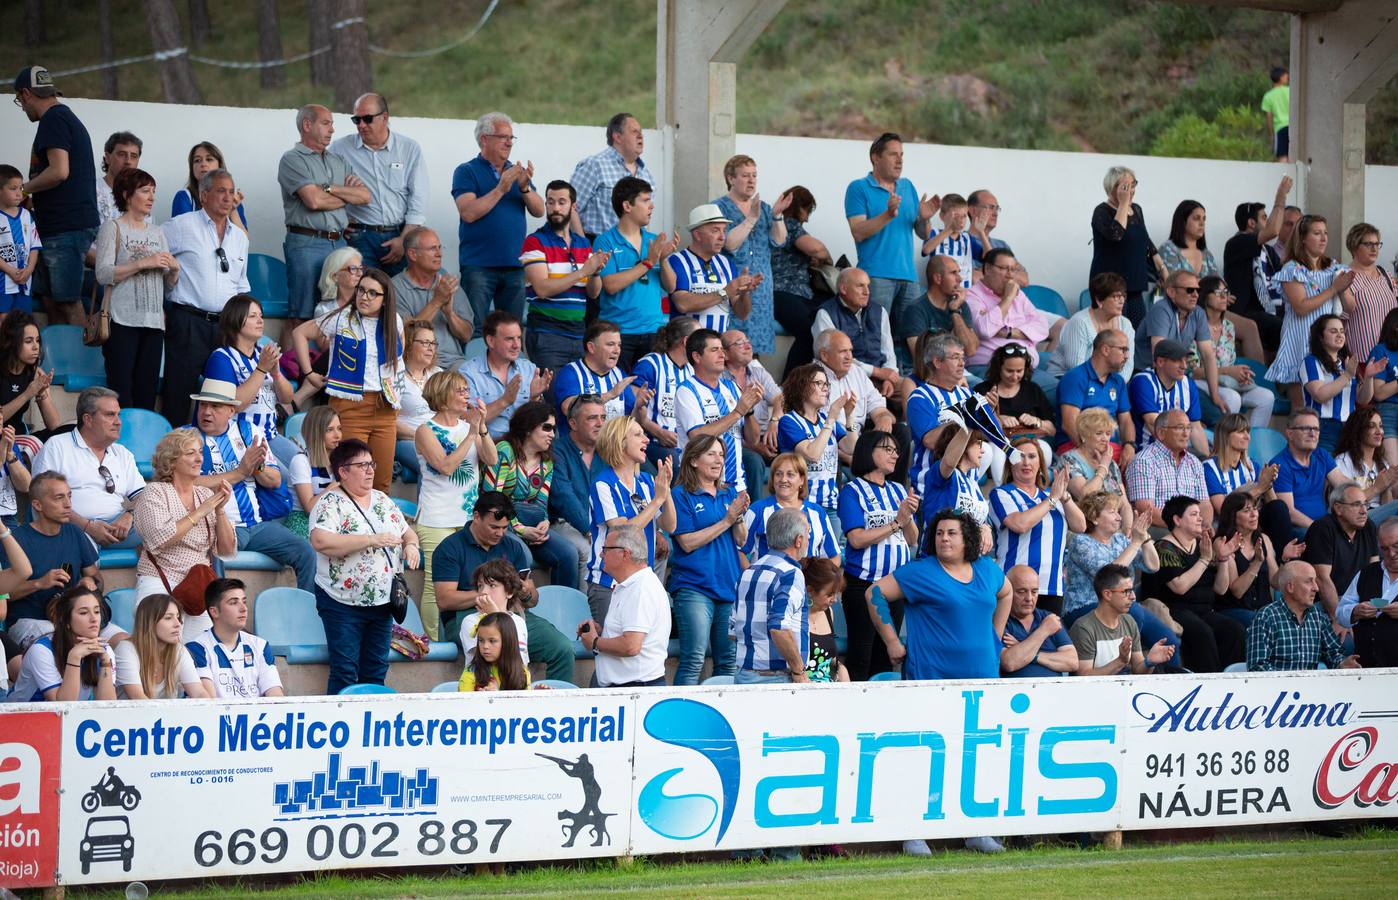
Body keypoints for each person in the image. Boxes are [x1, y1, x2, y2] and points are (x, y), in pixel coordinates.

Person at [864, 509, 1010, 856]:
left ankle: (975, 829)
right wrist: (892, 642)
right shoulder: (921, 572)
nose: (944, 538)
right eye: (940, 533)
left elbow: (1006, 594)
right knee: (925, 755)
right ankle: (914, 832)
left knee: (973, 754)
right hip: (931, 680)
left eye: (952, 533)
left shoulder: (988, 570)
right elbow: (874, 594)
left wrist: (996, 636)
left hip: (981, 680)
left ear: (967, 539)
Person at [309, 438, 419, 694]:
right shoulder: (329, 502)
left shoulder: (382, 500)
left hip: (382, 601)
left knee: (376, 669)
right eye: (362, 465)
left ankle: (372, 725)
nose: (370, 470)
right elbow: (321, 540)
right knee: (345, 670)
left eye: (371, 464)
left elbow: (407, 533)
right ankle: (340, 728)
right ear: (343, 471)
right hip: (341, 602)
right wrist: (370, 540)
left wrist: (411, 546)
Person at [188, 379, 313, 592]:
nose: (206, 412)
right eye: (203, 405)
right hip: (217, 526)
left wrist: (256, 467)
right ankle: (217, 617)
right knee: (209, 553)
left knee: (306, 552)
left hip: (256, 525)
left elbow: (274, 480)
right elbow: (187, 483)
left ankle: (305, 611)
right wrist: (240, 471)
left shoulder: (249, 431)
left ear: (231, 410)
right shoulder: (187, 437)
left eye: (215, 406)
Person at [291, 268, 403, 492]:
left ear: (385, 300)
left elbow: (398, 361)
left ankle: (377, 527)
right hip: (350, 406)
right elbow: (299, 333)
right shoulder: (342, 317)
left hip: (385, 408)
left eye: (373, 293)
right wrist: (310, 374)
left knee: (381, 481)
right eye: (361, 290)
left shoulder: (395, 321)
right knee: (351, 479)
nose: (364, 296)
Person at [161, 168, 250, 427]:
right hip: (188, 321)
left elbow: (241, 286)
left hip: (225, 326)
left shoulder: (239, 239)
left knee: (221, 397)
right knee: (178, 393)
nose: (227, 197)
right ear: (204, 196)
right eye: (220, 191)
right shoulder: (181, 226)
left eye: (231, 192)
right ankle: (174, 455)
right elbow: (155, 258)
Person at [13, 66, 98, 326]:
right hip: (58, 227)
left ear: (27, 94)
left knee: (68, 301)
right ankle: (61, 361)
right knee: (51, 300)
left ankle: (83, 364)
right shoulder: (64, 118)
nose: (23, 107)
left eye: (19, 100)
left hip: (66, 227)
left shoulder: (54, 119)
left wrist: (24, 189)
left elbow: (59, 171)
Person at [414, 370, 495, 640]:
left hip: (467, 518)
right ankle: (433, 642)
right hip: (436, 516)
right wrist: (472, 432)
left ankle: (464, 635)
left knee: (470, 579)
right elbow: (446, 466)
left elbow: (492, 459)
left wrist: (481, 427)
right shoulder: (425, 431)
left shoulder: (469, 427)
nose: (466, 395)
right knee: (433, 584)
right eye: (459, 390)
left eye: (466, 389)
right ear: (443, 394)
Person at [93, 167, 177, 412]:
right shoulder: (113, 227)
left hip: (153, 323)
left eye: (153, 191)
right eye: (145, 191)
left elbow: (168, 285)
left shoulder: (157, 232)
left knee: (147, 392)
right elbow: (103, 273)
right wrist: (143, 263)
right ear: (128, 194)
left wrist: (174, 270)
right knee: (121, 391)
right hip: (121, 321)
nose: (151, 197)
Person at [133, 429, 236, 626]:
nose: (199, 459)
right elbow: (161, 538)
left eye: (200, 452)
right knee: (160, 650)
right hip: (160, 580)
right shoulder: (154, 492)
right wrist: (200, 512)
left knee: (201, 651)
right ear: (171, 461)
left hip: (198, 586)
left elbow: (227, 550)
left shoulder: (205, 494)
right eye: (190, 453)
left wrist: (220, 510)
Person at [452, 112, 543, 331]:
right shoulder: (466, 171)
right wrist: (501, 188)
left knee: (511, 331)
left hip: (515, 267)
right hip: (478, 266)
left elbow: (539, 210)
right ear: (484, 139)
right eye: (503, 137)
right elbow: (468, 213)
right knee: (475, 328)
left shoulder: (516, 172)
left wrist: (523, 187)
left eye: (511, 138)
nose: (509, 142)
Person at [838, 431, 918, 681]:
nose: (895, 455)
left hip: (895, 586)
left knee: (887, 657)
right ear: (868, 451)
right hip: (863, 584)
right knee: (861, 655)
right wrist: (896, 522)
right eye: (888, 449)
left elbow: (912, 539)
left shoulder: (897, 489)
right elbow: (856, 539)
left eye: (896, 450)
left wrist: (908, 516)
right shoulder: (852, 491)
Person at [279, 104, 369, 324]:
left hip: (338, 243)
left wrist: (330, 188)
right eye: (326, 123)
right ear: (307, 125)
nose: (332, 129)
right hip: (305, 243)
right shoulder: (292, 159)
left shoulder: (338, 161)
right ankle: (291, 360)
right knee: (302, 315)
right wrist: (346, 195)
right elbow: (313, 200)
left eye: (332, 124)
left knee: (340, 312)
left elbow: (365, 196)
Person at [670, 435, 747, 685]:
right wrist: (726, 520)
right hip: (694, 586)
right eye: (711, 454)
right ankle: (682, 720)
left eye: (721, 455)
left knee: (728, 660)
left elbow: (741, 540)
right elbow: (687, 543)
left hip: (728, 584)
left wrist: (739, 517)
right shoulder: (681, 495)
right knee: (694, 659)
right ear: (693, 460)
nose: (719, 460)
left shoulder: (728, 492)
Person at [844, 132, 938, 328]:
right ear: (875, 157)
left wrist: (924, 218)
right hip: (876, 277)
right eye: (893, 154)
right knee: (876, 335)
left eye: (902, 155)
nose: (899, 161)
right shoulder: (858, 188)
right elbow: (858, 231)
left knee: (911, 338)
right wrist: (888, 214)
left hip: (909, 277)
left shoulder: (907, 186)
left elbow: (923, 233)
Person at [1144, 495, 1247, 672]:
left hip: (1204, 610)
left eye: (1200, 513)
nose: (1201, 518)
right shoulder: (1163, 548)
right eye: (1193, 514)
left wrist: (1222, 559)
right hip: (1174, 610)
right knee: (1202, 632)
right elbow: (1180, 587)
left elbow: (1220, 589)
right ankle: (1208, 686)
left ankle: (1231, 683)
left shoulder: (1202, 545)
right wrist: (1205, 560)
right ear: (1177, 520)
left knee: (1234, 629)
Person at [1063, 491, 1176, 652]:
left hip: (1124, 605)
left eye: (1118, 511)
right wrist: (1136, 542)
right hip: (1085, 607)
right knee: (1133, 611)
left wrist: (1144, 537)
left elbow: (1153, 566)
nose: (1119, 517)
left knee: (1169, 642)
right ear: (1094, 518)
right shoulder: (1080, 542)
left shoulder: (1120, 540)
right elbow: (1108, 576)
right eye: (1112, 512)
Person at [586, 417, 675, 623]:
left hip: (642, 582)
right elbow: (621, 533)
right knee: (616, 650)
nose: (646, 440)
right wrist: (658, 499)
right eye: (638, 435)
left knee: (642, 651)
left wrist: (666, 489)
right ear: (619, 442)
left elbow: (670, 525)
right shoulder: (603, 484)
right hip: (609, 583)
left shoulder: (646, 481)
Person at [33, 387, 145, 548]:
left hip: (118, 528)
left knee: (162, 526)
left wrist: (129, 516)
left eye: (118, 414)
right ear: (88, 419)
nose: (118, 421)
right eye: (109, 415)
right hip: (73, 527)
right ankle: (73, 572)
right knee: (78, 542)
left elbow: (144, 497)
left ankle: (155, 573)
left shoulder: (122, 453)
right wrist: (88, 527)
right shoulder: (57, 446)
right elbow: (44, 499)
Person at [330, 93, 427, 276]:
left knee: (397, 299)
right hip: (359, 238)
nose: (362, 125)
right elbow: (326, 188)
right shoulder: (339, 149)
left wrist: (403, 239)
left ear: (385, 117)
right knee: (363, 297)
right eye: (356, 120)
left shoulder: (409, 148)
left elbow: (418, 199)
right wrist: (339, 220)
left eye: (367, 119)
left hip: (400, 234)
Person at [486, 401, 580, 591]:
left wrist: (543, 524)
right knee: (524, 556)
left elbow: (541, 501)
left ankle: (561, 611)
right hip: (501, 524)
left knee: (569, 554)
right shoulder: (505, 451)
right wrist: (521, 530)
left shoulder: (547, 461)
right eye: (546, 428)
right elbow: (492, 500)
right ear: (528, 427)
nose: (552, 435)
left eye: (554, 429)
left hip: (531, 525)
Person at [1267, 214, 1357, 409]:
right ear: (1303, 238)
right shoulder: (1292, 268)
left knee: (1328, 404)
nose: (1324, 238)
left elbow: (1350, 306)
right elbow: (1300, 307)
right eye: (1317, 233)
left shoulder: (1333, 267)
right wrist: (1333, 289)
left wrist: (1342, 288)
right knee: (1301, 407)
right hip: (1300, 339)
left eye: (1325, 233)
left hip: (1327, 340)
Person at [990, 439, 1085, 614]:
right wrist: (1051, 500)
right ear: (1010, 464)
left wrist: (1064, 497)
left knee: (1048, 640)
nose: (1026, 462)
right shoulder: (1002, 493)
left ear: (1040, 464)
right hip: (1015, 586)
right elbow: (1019, 524)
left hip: (1051, 586)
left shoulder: (1053, 496)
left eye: (1032, 457)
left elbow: (1080, 526)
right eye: (1020, 457)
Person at [593, 177, 679, 371]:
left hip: (654, 330)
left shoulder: (653, 240)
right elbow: (610, 285)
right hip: (618, 333)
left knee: (650, 392)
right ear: (627, 206)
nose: (652, 206)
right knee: (620, 392)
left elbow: (671, 286)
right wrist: (648, 262)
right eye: (646, 200)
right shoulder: (605, 241)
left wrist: (663, 259)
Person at [521, 180, 606, 369]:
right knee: (553, 395)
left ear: (573, 207)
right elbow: (542, 288)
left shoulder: (583, 244)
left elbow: (593, 293)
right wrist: (584, 271)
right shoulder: (535, 241)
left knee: (577, 396)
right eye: (550, 202)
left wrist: (595, 273)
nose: (555, 208)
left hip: (578, 332)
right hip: (547, 333)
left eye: (561, 202)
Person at [577, 524, 669, 688]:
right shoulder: (633, 584)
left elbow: (631, 646)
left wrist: (595, 641)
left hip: (635, 692)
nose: (600, 554)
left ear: (625, 553)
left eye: (605, 549)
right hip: (632, 690)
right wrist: (603, 632)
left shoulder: (640, 588)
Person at [0, 472, 86, 646]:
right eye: (59, 498)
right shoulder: (16, 539)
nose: (68, 504)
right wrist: (40, 583)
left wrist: (89, 582)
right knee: (62, 641)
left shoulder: (74, 532)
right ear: (37, 505)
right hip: (27, 621)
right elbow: (5, 595)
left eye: (69, 496)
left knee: (118, 640)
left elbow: (94, 576)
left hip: (70, 617)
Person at [714, 155, 785, 354]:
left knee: (755, 352)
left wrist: (778, 216)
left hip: (761, 289)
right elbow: (728, 243)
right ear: (730, 178)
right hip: (734, 285)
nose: (751, 180)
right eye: (745, 175)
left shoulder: (764, 208)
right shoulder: (719, 208)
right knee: (731, 347)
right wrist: (751, 219)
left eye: (754, 175)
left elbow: (779, 241)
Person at [675, 328, 761, 492]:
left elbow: (753, 440)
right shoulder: (686, 391)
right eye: (714, 350)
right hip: (700, 487)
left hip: (737, 486)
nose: (722, 355)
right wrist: (737, 412)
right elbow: (697, 437)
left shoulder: (732, 387)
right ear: (697, 357)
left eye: (722, 349)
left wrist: (748, 411)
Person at [731, 506, 809, 683]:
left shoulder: (748, 572)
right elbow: (778, 627)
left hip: (743, 675)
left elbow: (732, 631)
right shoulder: (791, 573)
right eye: (808, 535)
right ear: (798, 540)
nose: (808, 540)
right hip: (776, 678)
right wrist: (799, 672)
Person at [203, 294, 294, 442]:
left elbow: (287, 398)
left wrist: (276, 374)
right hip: (239, 439)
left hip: (270, 436)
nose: (260, 321)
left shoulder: (263, 353)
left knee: (301, 461)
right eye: (253, 316)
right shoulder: (221, 358)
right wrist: (261, 370)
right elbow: (233, 405)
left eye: (261, 316)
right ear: (235, 320)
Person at [1136, 270, 1225, 420]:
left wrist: (1214, 395)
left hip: (1176, 377)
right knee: (1173, 422)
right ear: (1171, 292)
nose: (1196, 294)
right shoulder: (1161, 309)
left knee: (1216, 414)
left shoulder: (1199, 313)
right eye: (1190, 290)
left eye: (1198, 290)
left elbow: (1208, 356)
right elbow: (1159, 356)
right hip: (1148, 377)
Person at [815, 329, 904, 477]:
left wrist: (884, 419)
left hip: (859, 440)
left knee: (900, 431)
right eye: (843, 351)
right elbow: (813, 432)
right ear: (824, 355)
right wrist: (850, 457)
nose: (849, 357)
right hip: (832, 444)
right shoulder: (812, 377)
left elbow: (879, 408)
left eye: (850, 350)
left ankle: (895, 490)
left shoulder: (856, 372)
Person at [664, 203, 758, 338]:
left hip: (717, 348)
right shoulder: (677, 261)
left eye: (724, 230)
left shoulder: (726, 263)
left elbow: (742, 314)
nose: (722, 237)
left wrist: (744, 293)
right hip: (686, 346)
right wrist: (725, 292)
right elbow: (683, 304)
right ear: (697, 235)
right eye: (715, 230)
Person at [7, 586, 115, 702]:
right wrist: (74, 658)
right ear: (66, 620)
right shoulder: (41, 651)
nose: (94, 619)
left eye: (97, 611)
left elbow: (107, 705)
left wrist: (105, 662)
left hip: (72, 717)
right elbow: (61, 706)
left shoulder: (104, 650)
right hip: (21, 716)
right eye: (83, 613)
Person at [1222, 176, 1292, 354]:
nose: (1268, 221)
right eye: (1264, 217)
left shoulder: (1267, 251)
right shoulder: (1236, 243)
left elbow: (1284, 276)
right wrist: (1281, 197)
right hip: (1245, 312)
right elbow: (1273, 231)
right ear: (1251, 223)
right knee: (1286, 329)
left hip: (1272, 310)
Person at [1090, 165, 1166, 326]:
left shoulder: (1136, 209)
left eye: (1133, 185)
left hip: (1134, 285)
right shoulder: (1101, 212)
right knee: (1116, 333)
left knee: (1138, 334)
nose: (1131, 190)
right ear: (1112, 188)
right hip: (1110, 288)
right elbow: (1116, 235)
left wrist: (1162, 269)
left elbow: (1146, 241)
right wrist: (1123, 204)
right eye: (1126, 186)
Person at [1216, 489, 1302, 631]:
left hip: (1264, 609)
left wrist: (1284, 560)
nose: (1254, 514)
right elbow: (1237, 591)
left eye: (1255, 508)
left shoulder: (1264, 539)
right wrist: (1256, 562)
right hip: (1235, 610)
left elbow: (1275, 583)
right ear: (1233, 516)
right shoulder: (1223, 542)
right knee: (1268, 624)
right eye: (1246, 510)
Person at [1194, 275, 1273, 428]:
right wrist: (1229, 371)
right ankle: (1227, 444)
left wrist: (1241, 376)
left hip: (1227, 382)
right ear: (1204, 296)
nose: (1224, 296)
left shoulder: (1229, 326)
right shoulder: (1195, 326)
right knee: (1233, 398)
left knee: (1266, 397)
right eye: (1218, 292)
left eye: (1226, 291)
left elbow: (1229, 363)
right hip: (1201, 382)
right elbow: (1193, 371)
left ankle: (1249, 445)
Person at [1248, 560, 1358, 671]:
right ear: (1290, 587)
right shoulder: (1266, 617)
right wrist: (1291, 684)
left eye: (1315, 581)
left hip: (1309, 687)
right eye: (1309, 581)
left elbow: (1333, 654)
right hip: (1276, 688)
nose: (1316, 588)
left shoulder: (1318, 617)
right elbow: (1258, 667)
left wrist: (1342, 663)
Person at [769, 185, 832, 377]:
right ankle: (791, 384)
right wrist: (826, 258)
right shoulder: (790, 225)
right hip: (784, 293)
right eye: (807, 210)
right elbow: (816, 249)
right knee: (809, 331)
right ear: (799, 207)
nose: (807, 218)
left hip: (795, 295)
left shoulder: (772, 226)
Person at [1070, 564, 1178, 675]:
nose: (1133, 597)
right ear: (1107, 595)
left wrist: (1149, 662)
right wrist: (1120, 661)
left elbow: (1138, 670)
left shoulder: (1129, 621)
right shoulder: (1084, 628)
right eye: (1127, 591)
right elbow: (1084, 677)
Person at [187, 578, 284, 699]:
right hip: (218, 716)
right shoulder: (197, 648)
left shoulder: (260, 645)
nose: (243, 608)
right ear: (214, 612)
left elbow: (275, 695)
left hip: (256, 716)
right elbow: (208, 703)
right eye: (233, 602)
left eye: (244, 601)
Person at [392, 227, 471, 371]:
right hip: (418, 363)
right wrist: (437, 302)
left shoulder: (449, 283)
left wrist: (450, 314)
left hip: (454, 362)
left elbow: (466, 335)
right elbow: (406, 336)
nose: (439, 254)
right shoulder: (395, 287)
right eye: (432, 249)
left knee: (471, 380)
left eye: (440, 248)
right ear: (413, 254)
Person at [778, 364, 854, 514]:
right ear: (802, 386)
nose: (825, 388)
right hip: (802, 504)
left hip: (831, 503)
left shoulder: (826, 419)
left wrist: (849, 415)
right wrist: (832, 417)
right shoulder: (789, 421)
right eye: (819, 383)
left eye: (826, 384)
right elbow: (812, 454)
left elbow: (851, 448)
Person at [549, 394, 608, 589]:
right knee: (588, 550)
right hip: (564, 524)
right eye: (592, 418)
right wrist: (589, 528)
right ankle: (585, 615)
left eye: (603, 417)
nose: (600, 423)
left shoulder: (608, 451)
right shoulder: (557, 450)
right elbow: (563, 497)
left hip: (603, 523)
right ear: (573, 423)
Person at [1303, 481, 1378, 631]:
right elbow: (1322, 579)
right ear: (1338, 508)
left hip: (1356, 601)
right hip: (1324, 603)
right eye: (1357, 505)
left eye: (1365, 504)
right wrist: (1340, 618)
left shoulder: (1368, 526)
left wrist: (1376, 609)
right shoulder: (1322, 529)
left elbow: (1374, 574)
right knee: (1349, 642)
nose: (1364, 511)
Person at [811, 267, 898, 394]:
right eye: (860, 286)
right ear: (843, 289)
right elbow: (831, 358)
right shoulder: (825, 313)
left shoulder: (879, 311)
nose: (867, 292)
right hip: (845, 378)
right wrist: (877, 372)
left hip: (880, 379)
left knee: (909, 388)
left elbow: (888, 351)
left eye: (868, 286)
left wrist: (889, 376)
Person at [466, 310, 549, 441]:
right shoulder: (469, 372)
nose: (517, 345)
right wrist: (504, 401)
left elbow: (540, 421)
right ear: (491, 341)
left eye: (518, 338)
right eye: (509, 339)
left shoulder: (529, 368)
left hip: (525, 444)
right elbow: (467, 420)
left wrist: (534, 398)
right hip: (488, 447)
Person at [965, 248, 1052, 372]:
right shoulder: (972, 296)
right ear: (988, 269)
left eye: (1013, 269)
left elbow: (1042, 327)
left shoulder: (1019, 295)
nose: (1010, 275)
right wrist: (1007, 298)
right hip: (991, 368)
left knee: (1057, 387)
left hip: (1026, 368)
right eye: (1004, 268)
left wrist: (1008, 332)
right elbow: (985, 330)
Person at [570, 113, 655, 239]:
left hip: (634, 249)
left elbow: (645, 219)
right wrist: (584, 247)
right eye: (634, 131)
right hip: (597, 248)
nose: (640, 136)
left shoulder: (646, 175)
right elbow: (570, 207)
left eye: (641, 132)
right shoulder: (595, 165)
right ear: (617, 137)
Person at [745, 453, 841, 562]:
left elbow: (834, 556)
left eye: (790, 474)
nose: (783, 479)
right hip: (769, 577)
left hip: (808, 578)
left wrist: (817, 579)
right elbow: (739, 552)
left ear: (802, 480)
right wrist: (755, 576)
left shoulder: (817, 512)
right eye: (778, 474)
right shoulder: (758, 510)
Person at [1058, 329, 1135, 460]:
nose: (1126, 356)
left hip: (1109, 447)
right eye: (1123, 350)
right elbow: (1069, 423)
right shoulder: (1076, 377)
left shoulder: (1118, 381)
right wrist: (1088, 453)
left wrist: (1129, 445)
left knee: (1135, 463)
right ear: (1105, 350)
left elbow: (1126, 420)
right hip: (1075, 445)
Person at [1304, 313, 1377, 451]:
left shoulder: (1346, 363)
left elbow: (1362, 399)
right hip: (1323, 427)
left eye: (1342, 331)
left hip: (1349, 427)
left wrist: (1369, 377)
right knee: (1327, 471)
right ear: (1320, 337)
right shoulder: (1311, 362)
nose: (1339, 334)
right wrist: (1347, 375)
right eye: (1333, 331)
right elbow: (1319, 395)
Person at [723, 328, 784, 490]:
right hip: (734, 441)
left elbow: (781, 398)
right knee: (754, 461)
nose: (747, 346)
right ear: (725, 354)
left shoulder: (757, 372)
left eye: (747, 341)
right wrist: (753, 446)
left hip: (767, 437)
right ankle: (754, 512)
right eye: (739, 343)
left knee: (801, 449)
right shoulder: (720, 378)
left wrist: (774, 421)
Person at [113, 594, 207, 699]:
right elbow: (138, 698)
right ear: (149, 622)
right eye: (168, 618)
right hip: (134, 715)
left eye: (178, 617)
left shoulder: (179, 650)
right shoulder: (126, 649)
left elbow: (199, 693)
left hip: (168, 715)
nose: (178, 624)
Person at [973, 343, 1056, 461]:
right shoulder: (983, 390)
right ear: (998, 368)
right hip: (997, 447)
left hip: (1029, 444)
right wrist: (998, 419)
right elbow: (971, 430)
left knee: (1045, 449)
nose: (1014, 376)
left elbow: (1052, 430)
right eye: (1009, 371)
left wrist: (1037, 421)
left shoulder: (1033, 390)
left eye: (1019, 371)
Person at [896, 255, 979, 373]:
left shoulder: (960, 306)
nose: (959, 279)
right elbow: (922, 358)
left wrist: (955, 312)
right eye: (953, 273)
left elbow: (971, 350)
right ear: (937, 278)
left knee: (980, 388)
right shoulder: (915, 310)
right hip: (924, 374)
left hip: (955, 371)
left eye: (959, 273)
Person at [1270, 408, 1344, 539]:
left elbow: (1344, 485)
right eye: (1306, 428)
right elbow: (1289, 513)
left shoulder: (1321, 455)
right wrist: (1320, 529)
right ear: (1290, 434)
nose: (1312, 433)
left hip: (1323, 524)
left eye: (1316, 429)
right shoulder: (1280, 465)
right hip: (1299, 531)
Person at [1126, 411, 1208, 528]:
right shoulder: (1144, 461)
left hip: (1189, 529)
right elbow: (1146, 510)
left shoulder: (1194, 462)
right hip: (1158, 529)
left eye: (1188, 428)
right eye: (1180, 428)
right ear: (1161, 433)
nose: (1186, 434)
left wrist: (1205, 525)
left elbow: (1205, 504)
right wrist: (1182, 527)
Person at [1046, 272, 1135, 380]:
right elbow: (1076, 367)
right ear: (1099, 300)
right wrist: (1100, 388)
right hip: (1066, 378)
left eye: (1123, 296)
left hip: (1107, 382)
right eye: (1116, 296)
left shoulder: (1125, 324)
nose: (1122, 301)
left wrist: (1116, 385)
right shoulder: (1079, 322)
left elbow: (1128, 362)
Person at [553, 319, 636, 434]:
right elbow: (569, 408)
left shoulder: (619, 374)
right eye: (610, 344)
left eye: (619, 345)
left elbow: (631, 416)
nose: (617, 350)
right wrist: (609, 395)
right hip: (579, 449)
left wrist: (640, 406)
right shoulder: (571, 373)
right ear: (591, 347)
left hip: (614, 448)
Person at [632, 317, 696, 462]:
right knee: (675, 461)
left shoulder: (692, 370)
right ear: (686, 341)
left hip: (684, 444)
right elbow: (632, 407)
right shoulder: (650, 364)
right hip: (651, 442)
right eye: (698, 337)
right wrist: (658, 432)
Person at [1337, 517, 1398, 668]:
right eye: (1384, 548)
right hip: (1366, 667)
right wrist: (1356, 611)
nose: (1391, 554)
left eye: (1396, 546)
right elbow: (1340, 613)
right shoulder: (1367, 573)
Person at [1128, 339, 1207, 455]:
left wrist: (1207, 460)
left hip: (1178, 451)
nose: (1184, 366)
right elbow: (1155, 425)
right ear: (1160, 362)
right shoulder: (1143, 382)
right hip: (1147, 453)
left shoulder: (1188, 385)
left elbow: (1196, 428)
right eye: (1178, 361)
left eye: (1185, 360)